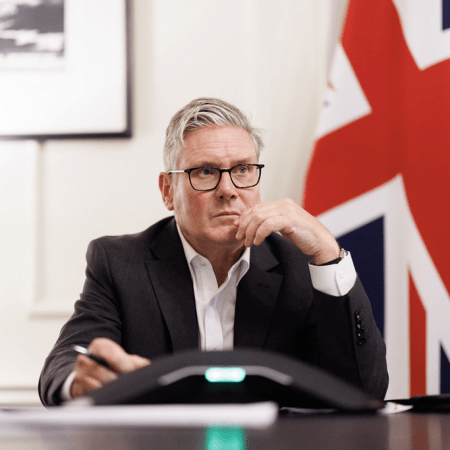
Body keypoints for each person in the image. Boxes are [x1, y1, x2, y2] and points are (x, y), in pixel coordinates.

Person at [39, 98, 388, 407]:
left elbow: (364, 389)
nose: (228, 189)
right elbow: (65, 363)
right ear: (168, 191)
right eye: (205, 172)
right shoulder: (119, 263)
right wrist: (80, 382)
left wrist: (329, 254)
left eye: (242, 170)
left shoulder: (301, 265)